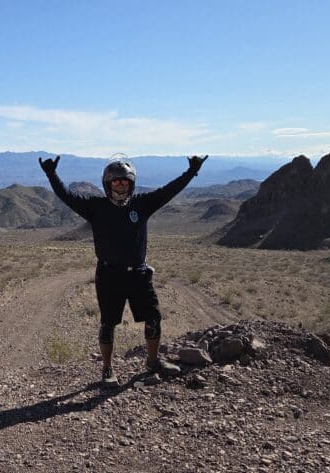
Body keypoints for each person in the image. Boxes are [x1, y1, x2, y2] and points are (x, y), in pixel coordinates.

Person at [39, 154, 207, 387]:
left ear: (131, 183)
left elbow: (170, 190)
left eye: (124, 181)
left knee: (153, 318)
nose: (120, 184)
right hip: (109, 275)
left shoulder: (143, 203)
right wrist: (52, 174)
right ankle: (107, 370)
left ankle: (153, 361)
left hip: (138, 273)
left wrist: (191, 172)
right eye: (115, 181)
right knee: (108, 323)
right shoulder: (96, 207)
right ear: (107, 184)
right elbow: (67, 196)